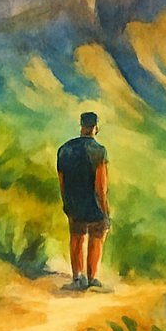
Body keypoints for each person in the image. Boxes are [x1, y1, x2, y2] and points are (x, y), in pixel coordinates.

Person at [57, 110, 111, 289]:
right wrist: (105, 210)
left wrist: (67, 203)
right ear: (95, 128)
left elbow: (62, 181)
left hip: (74, 203)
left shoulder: (64, 149)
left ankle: (77, 277)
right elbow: (101, 187)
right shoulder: (99, 152)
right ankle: (92, 277)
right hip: (94, 205)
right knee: (97, 235)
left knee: (77, 236)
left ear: (81, 126)